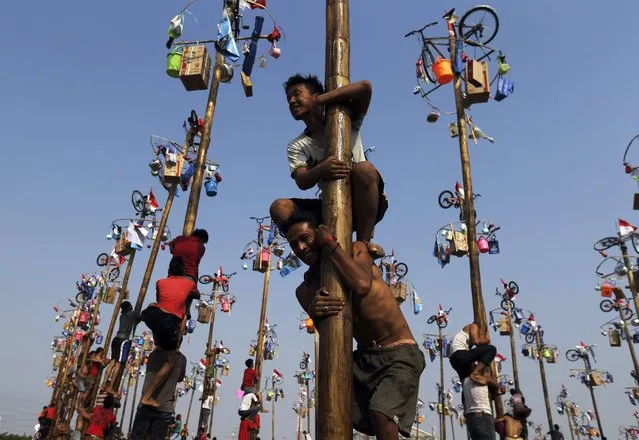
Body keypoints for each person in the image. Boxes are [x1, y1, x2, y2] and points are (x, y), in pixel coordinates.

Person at [285, 212, 425, 439]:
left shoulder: (355, 250)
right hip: (362, 359)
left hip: (399, 352)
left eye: (306, 238)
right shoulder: (305, 289)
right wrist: (316, 314)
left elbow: (360, 284)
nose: (300, 248)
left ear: (320, 234)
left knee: (382, 413)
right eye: (294, 245)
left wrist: (330, 244)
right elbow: (331, 332)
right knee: (332, 403)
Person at [269, 74, 388, 259]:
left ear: (314, 95)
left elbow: (365, 87)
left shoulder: (346, 118)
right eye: (288, 99)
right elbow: (301, 180)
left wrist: (322, 100)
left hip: (365, 203)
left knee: (364, 169)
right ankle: (314, 258)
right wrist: (320, 169)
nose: (292, 101)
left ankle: (363, 243)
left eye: (297, 94)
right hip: (330, 206)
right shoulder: (297, 145)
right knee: (279, 207)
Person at [137, 256, 199, 408]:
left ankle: (157, 340)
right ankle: (148, 396)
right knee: (171, 361)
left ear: (169, 269)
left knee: (154, 308)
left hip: (152, 315)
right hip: (168, 321)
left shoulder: (160, 282)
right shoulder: (190, 283)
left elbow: (159, 300)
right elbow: (196, 294)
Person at [129, 349, 187, 439]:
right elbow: (180, 378)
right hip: (163, 408)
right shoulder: (181, 359)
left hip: (146, 407)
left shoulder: (154, 354)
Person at [102, 301, 138, 394]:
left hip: (116, 339)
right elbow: (141, 317)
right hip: (123, 340)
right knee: (118, 364)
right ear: (129, 307)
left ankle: (103, 384)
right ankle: (110, 387)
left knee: (112, 363)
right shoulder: (132, 314)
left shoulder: (122, 316)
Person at [462, 367, 506, 440]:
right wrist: (499, 387)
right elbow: (495, 385)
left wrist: (498, 393)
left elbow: (466, 400)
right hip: (482, 415)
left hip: (470, 418)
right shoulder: (484, 377)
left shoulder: (465, 381)